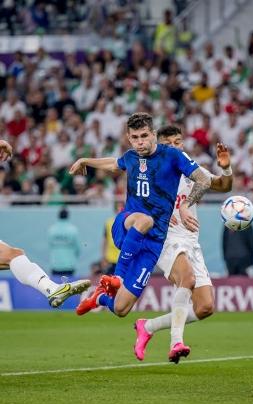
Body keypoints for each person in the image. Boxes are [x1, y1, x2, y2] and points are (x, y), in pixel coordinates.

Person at [69, 113, 212, 363]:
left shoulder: (172, 156)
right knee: (144, 219)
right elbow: (114, 164)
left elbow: (204, 179)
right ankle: (116, 277)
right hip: (128, 224)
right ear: (129, 138)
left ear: (154, 135)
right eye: (134, 138)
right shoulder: (131, 157)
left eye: (144, 136)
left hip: (153, 243)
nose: (140, 142)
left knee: (122, 308)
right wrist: (85, 160)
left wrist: (187, 205)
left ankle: (98, 297)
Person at [133, 125, 233, 361]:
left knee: (205, 307)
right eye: (171, 143)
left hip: (190, 241)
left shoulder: (190, 170)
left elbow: (222, 185)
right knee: (186, 279)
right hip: (164, 238)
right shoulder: (151, 173)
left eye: (179, 142)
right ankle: (176, 342)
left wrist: (226, 168)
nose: (177, 147)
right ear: (160, 145)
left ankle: (147, 327)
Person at [0, 139, 90, 307]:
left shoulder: (53, 229)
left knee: (14, 255)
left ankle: (51, 288)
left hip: (57, 262)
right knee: (14, 255)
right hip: (68, 262)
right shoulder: (71, 228)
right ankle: (52, 288)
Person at [48, 207, 81, 277]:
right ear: (68, 216)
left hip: (55, 264)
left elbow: (50, 245)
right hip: (69, 265)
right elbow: (78, 248)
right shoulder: (73, 229)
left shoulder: (51, 229)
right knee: (69, 286)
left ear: (58, 216)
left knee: (56, 287)